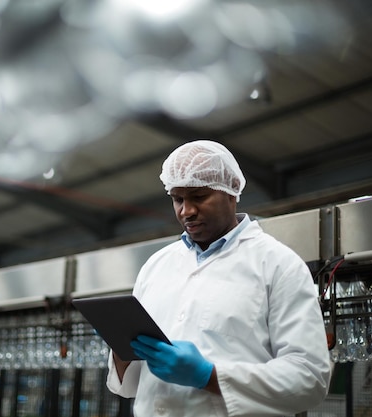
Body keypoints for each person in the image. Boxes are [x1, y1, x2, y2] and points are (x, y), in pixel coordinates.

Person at [106, 140, 331, 416]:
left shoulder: (278, 265)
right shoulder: (157, 265)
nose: (186, 211)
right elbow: (129, 386)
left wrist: (208, 376)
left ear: (231, 192)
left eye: (199, 197)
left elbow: (309, 379)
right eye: (178, 199)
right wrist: (121, 349)